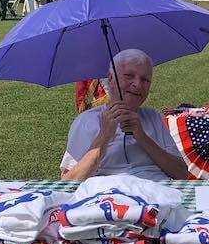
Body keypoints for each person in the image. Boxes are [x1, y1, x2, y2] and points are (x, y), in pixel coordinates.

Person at [61, 49, 187, 181]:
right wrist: (104, 136)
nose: (138, 84)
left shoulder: (152, 117)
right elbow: (68, 183)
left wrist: (142, 137)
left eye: (145, 79)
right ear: (111, 79)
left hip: (157, 191)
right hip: (106, 195)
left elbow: (182, 174)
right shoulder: (86, 121)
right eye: (129, 76)